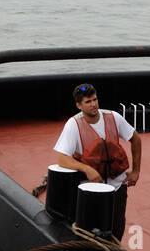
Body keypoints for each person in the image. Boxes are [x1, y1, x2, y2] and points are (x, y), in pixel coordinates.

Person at [52, 83, 141, 234]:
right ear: (78, 105)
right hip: (90, 188)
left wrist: (136, 171)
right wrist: (87, 169)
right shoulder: (73, 125)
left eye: (95, 100)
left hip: (117, 186)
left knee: (117, 227)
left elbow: (136, 139)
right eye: (88, 102)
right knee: (92, 229)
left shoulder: (113, 117)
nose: (93, 104)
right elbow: (62, 159)